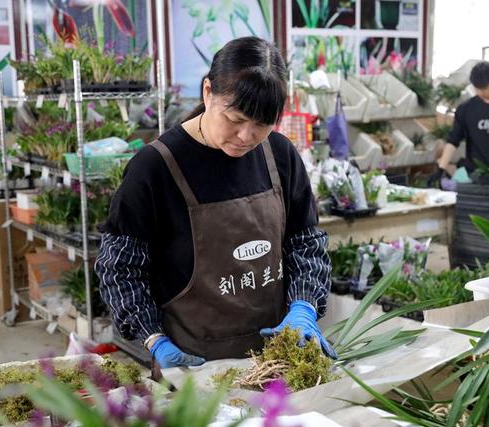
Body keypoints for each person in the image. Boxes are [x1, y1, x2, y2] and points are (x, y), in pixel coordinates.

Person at [95, 37, 337, 370]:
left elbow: (305, 244)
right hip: (191, 366)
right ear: (208, 92)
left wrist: (304, 308)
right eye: (235, 119)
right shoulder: (155, 168)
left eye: (263, 125)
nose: (246, 137)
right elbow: (120, 268)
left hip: (275, 360)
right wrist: (154, 339)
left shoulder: (280, 156)